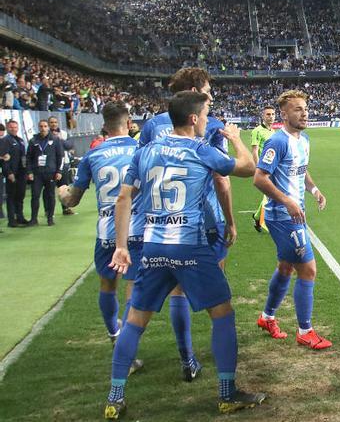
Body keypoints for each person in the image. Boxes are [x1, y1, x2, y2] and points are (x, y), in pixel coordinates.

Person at [103, 90, 263, 419]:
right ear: (193, 119)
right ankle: (227, 393)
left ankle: (114, 397)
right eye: (205, 114)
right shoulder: (201, 151)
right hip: (190, 246)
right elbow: (248, 168)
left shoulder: (144, 151)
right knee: (223, 314)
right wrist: (235, 139)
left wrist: (121, 246)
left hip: (153, 247)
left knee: (134, 321)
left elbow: (122, 199)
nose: (208, 120)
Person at [137, 67, 234, 378]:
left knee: (178, 290)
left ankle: (186, 357)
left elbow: (139, 172)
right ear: (196, 91)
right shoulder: (213, 125)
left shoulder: (152, 125)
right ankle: (224, 372)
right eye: (207, 90)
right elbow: (222, 179)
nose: (212, 95)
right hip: (203, 219)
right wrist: (230, 221)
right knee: (218, 299)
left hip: (162, 223)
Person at [57, 102, 144, 373]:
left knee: (107, 286)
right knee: (133, 290)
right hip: (137, 231)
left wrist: (61, 192)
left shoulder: (93, 155)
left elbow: (72, 198)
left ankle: (114, 335)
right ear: (129, 123)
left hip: (106, 233)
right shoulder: (141, 150)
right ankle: (127, 353)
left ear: (104, 126)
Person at [254, 91, 331, 349]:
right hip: (282, 216)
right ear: (284, 115)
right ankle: (305, 331)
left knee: (286, 267)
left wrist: (314, 190)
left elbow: (301, 169)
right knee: (308, 269)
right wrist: (287, 200)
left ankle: (267, 317)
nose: (305, 113)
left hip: (293, 214)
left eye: (305, 108)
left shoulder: (304, 139)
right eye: (298, 109)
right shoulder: (277, 141)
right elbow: (260, 177)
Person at [26, 119, 64, 225]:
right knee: (35, 196)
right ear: (38, 127)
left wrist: (59, 171)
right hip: (37, 173)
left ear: (48, 127)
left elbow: (60, 156)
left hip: (50, 173)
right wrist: (29, 172)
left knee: (50, 195)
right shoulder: (33, 140)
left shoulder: (55, 140)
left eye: (45, 126)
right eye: (41, 126)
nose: (43, 128)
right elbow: (28, 157)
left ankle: (50, 218)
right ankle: (34, 219)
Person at [250, 106, 277, 233]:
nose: (271, 116)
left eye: (272, 114)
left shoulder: (274, 132)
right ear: (263, 116)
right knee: (269, 194)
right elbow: (254, 150)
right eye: (268, 114)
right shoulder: (257, 131)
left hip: (273, 168)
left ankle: (257, 217)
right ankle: (264, 221)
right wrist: (257, 168)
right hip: (263, 168)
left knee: (269, 194)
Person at [48, 116, 76, 215]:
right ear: (49, 124)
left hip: (64, 164)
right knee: (49, 189)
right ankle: (49, 211)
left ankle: (66, 208)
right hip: (50, 165)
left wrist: (59, 139)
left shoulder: (63, 133)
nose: (53, 124)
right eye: (51, 122)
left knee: (64, 187)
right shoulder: (45, 134)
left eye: (55, 122)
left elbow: (69, 145)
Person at [1, 120, 27, 226]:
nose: (14, 129)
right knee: (11, 197)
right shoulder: (5, 140)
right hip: (12, 173)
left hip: (21, 172)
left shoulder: (20, 140)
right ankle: (11, 220)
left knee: (20, 196)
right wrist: (8, 172)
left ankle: (20, 217)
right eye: (11, 127)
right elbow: (4, 158)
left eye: (15, 127)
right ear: (8, 128)